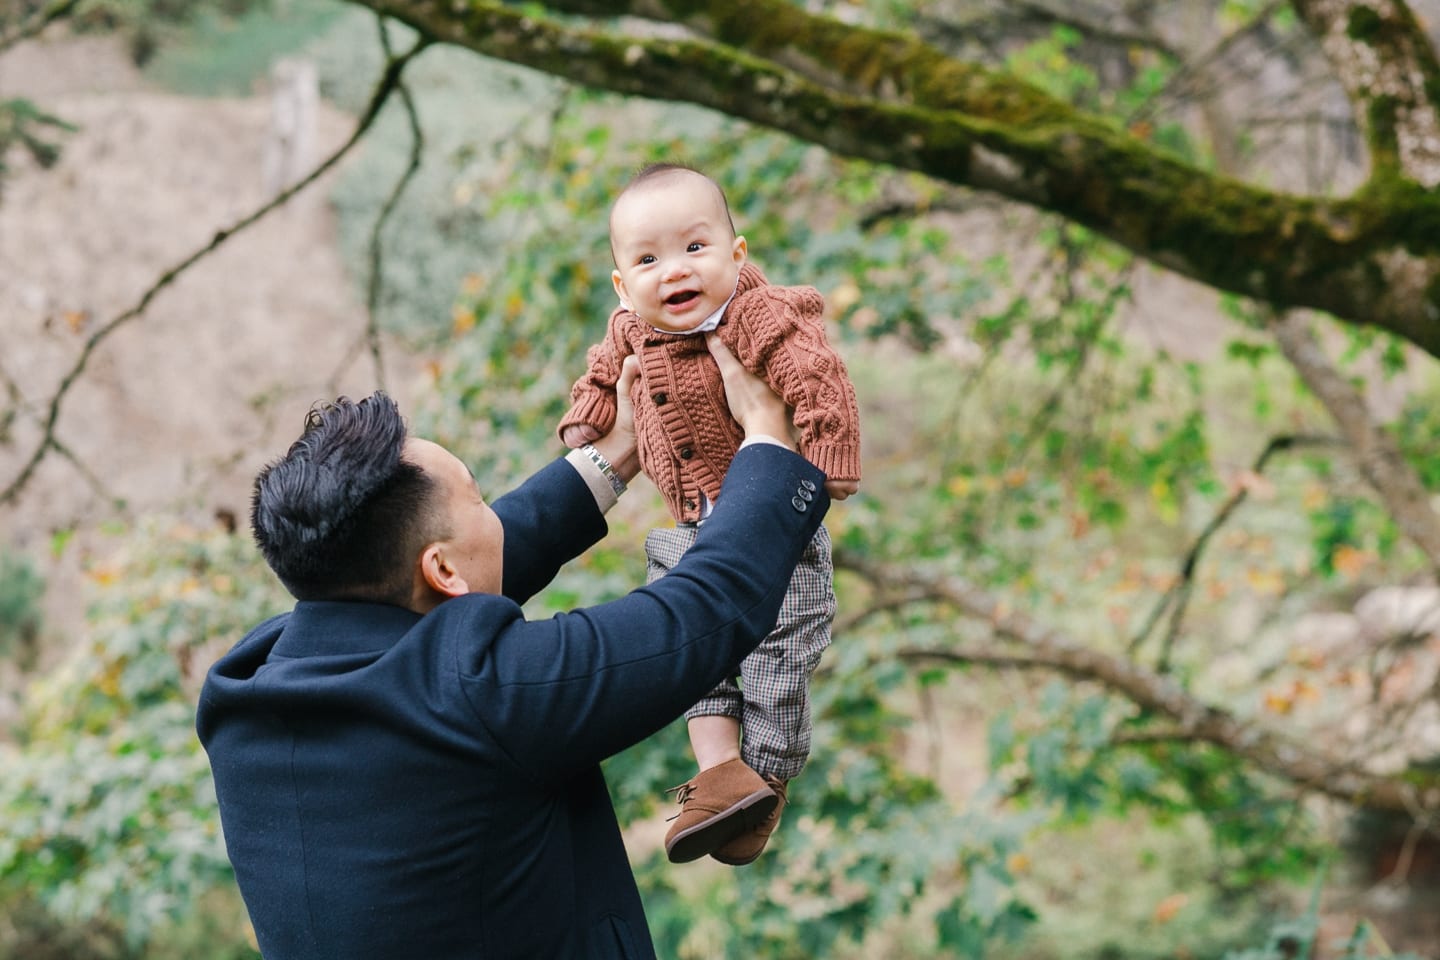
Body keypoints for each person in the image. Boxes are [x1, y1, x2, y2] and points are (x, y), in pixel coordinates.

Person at [195, 338, 829, 960]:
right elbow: (703, 608)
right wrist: (768, 441)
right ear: (440, 567)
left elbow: (451, 582)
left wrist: (619, 452)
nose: (494, 516)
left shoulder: (247, 686)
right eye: (478, 500)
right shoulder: (481, 698)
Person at [558, 162, 861, 867]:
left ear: (737, 254)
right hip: (693, 530)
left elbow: (818, 377)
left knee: (778, 657)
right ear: (621, 285)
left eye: (695, 248)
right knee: (695, 656)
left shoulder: (760, 317)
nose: (674, 271)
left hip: (776, 533)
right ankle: (721, 774)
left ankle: (769, 776)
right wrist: (590, 414)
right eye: (647, 259)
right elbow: (601, 371)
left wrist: (829, 453)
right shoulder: (631, 330)